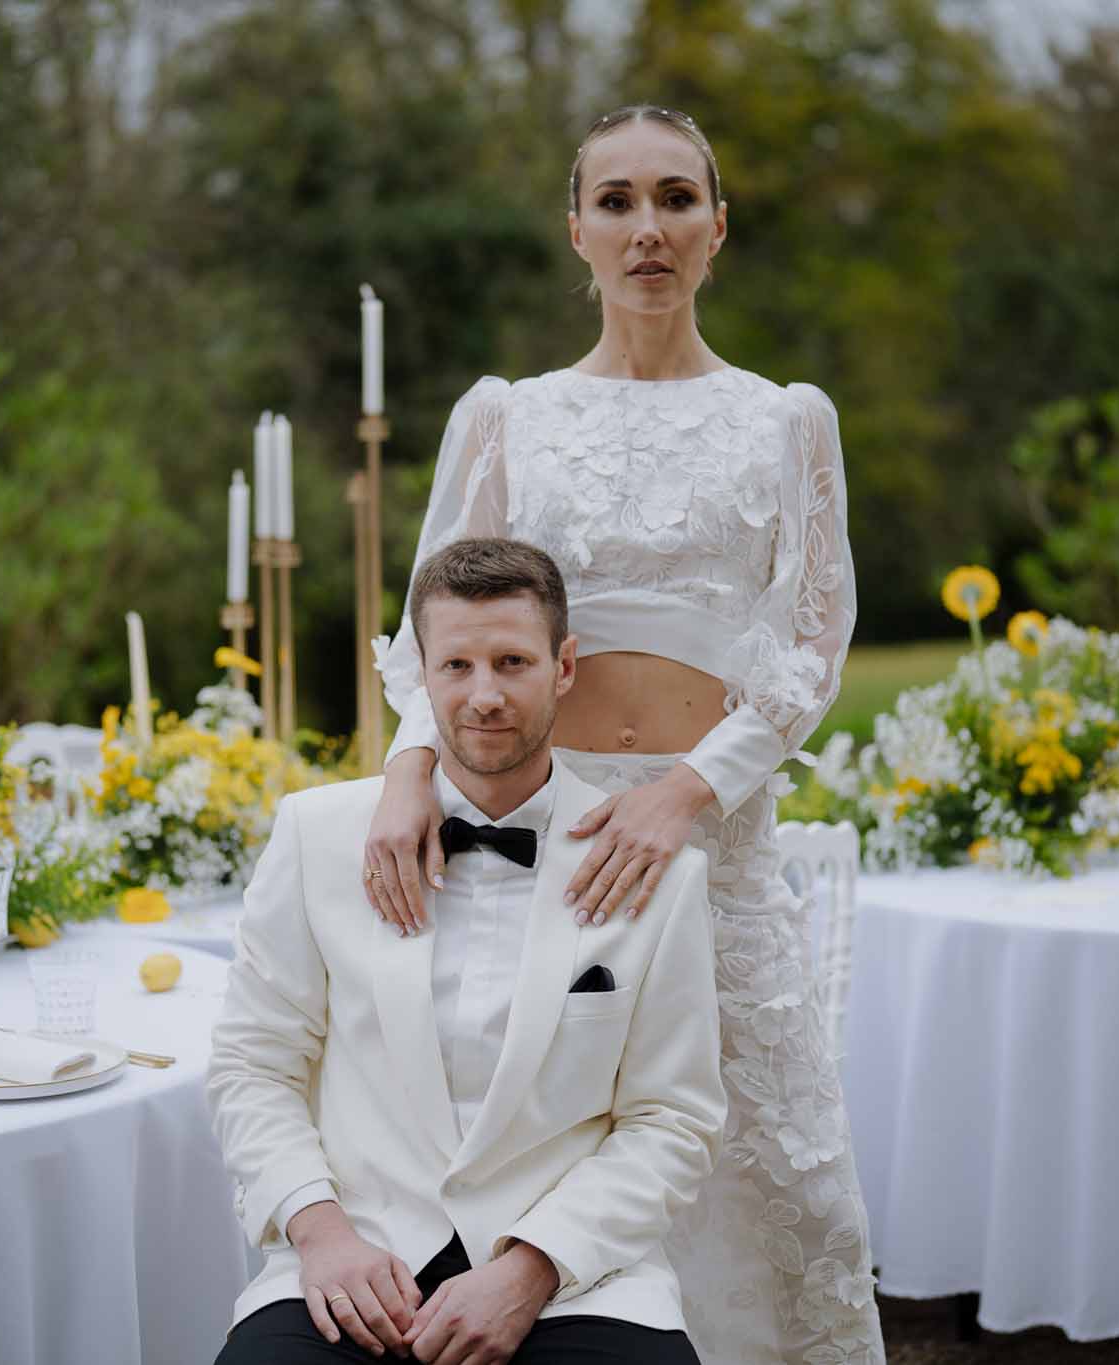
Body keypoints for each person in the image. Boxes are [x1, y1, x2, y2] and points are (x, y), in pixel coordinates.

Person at [364, 105, 885, 1363]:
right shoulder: (507, 416)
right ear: (576, 233)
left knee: (764, 1159)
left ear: (717, 226)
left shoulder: (785, 420)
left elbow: (811, 645)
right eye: (615, 202)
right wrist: (404, 771)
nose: (645, 228)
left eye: (673, 199)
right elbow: (430, 630)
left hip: (711, 835)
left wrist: (688, 795)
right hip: (557, 831)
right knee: (561, 1137)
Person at [209, 536, 725, 1365]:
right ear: (422, 673)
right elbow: (253, 1065)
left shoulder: (658, 874)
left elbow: (674, 1120)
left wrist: (530, 1269)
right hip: (356, 1258)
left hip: (572, 1275)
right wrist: (322, 1232)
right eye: (457, 666)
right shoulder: (316, 837)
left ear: (564, 666)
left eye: (512, 661)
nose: (484, 695)